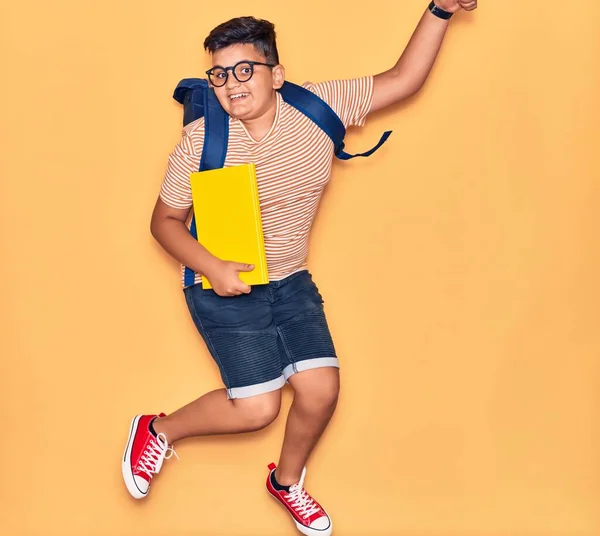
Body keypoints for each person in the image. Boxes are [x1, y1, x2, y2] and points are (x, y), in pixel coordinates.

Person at [121, 2, 478, 535]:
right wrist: (214, 266)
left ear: (276, 74)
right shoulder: (201, 142)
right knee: (257, 410)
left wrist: (441, 10)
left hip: (289, 278)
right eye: (219, 74)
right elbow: (165, 221)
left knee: (321, 390)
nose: (231, 84)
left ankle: (286, 482)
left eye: (245, 69)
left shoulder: (317, 108)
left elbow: (403, 80)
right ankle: (159, 430)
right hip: (220, 283)